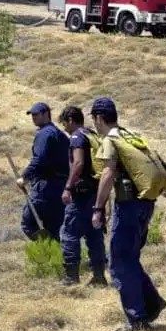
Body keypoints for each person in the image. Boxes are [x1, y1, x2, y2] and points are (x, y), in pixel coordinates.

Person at [90, 97, 166, 331]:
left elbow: (107, 174)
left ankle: (138, 319)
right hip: (145, 204)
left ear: (99, 118)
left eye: (94, 120)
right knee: (130, 257)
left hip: (128, 206)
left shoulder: (111, 140)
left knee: (120, 262)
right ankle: (151, 304)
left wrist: (98, 208)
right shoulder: (129, 135)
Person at [59, 106, 107, 287]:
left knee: (69, 233)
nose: (64, 127)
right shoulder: (91, 134)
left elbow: (78, 163)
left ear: (70, 120)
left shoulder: (77, 137)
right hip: (95, 192)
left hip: (81, 194)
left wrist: (68, 187)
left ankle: (71, 277)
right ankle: (99, 276)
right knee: (94, 235)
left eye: (64, 123)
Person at [18, 102, 70, 241]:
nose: (33, 117)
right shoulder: (59, 134)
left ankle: (45, 252)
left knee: (28, 223)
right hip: (60, 187)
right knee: (55, 228)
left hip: (46, 187)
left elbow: (39, 159)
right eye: (32, 115)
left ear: (46, 114)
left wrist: (25, 177)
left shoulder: (45, 134)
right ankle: (55, 259)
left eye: (36, 114)